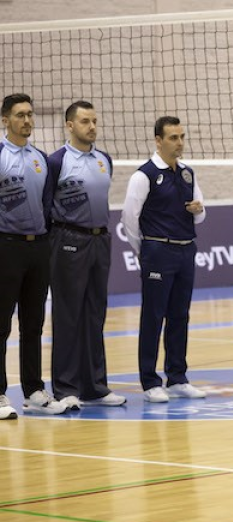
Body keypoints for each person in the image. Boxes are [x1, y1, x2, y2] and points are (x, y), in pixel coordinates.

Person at [122, 116, 208, 404]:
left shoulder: (187, 173)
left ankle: (177, 377)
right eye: (173, 138)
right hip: (158, 251)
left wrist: (198, 210)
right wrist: (146, 251)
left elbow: (201, 214)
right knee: (153, 316)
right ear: (158, 141)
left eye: (182, 137)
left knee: (180, 315)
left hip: (186, 250)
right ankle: (149, 381)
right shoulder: (143, 175)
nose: (179, 143)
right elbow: (129, 219)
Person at [46, 101, 125, 409]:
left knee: (95, 314)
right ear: (70, 125)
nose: (91, 126)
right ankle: (66, 388)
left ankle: (95, 387)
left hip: (100, 240)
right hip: (68, 239)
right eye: (84, 121)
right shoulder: (56, 161)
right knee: (68, 315)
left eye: (94, 121)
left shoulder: (104, 160)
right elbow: (45, 205)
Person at [0, 94, 65, 419]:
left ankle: (33, 391)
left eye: (30, 114)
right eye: (20, 115)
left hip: (38, 247)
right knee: (1, 323)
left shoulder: (41, 158)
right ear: (5, 120)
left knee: (34, 323)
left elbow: (47, 204)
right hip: (6, 246)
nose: (27, 120)